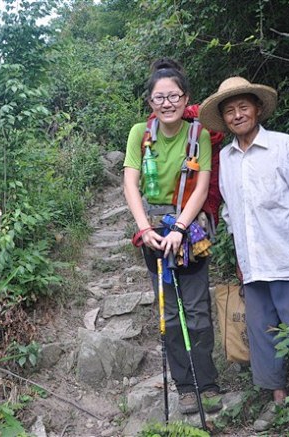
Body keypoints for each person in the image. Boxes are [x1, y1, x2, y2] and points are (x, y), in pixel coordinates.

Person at [199, 77, 289, 434]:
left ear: (256, 109)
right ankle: (278, 398)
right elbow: (230, 211)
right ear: (224, 119)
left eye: (243, 107)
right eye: (230, 111)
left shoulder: (282, 145)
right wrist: (239, 252)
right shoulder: (225, 158)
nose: (238, 115)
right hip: (252, 262)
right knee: (261, 332)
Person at [123, 59, 222, 415]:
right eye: (159, 97)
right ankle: (185, 387)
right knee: (168, 313)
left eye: (174, 96)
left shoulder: (199, 135)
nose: (167, 103)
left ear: (186, 98)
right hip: (153, 230)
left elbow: (202, 186)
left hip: (190, 229)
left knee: (196, 309)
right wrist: (144, 228)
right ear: (149, 101)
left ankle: (206, 382)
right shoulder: (140, 133)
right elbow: (131, 183)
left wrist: (180, 228)